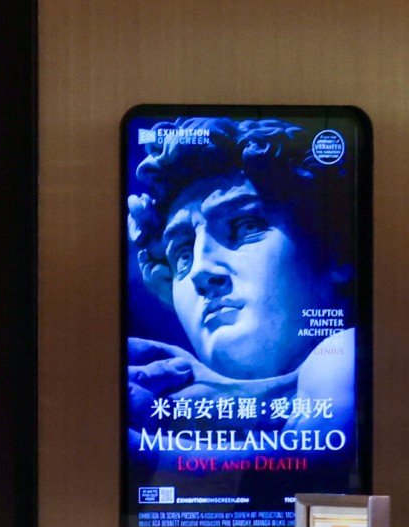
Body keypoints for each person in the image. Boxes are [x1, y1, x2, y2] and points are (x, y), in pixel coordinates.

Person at [126, 117, 356, 432]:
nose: (200, 270)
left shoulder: (348, 352)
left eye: (246, 226)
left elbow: (320, 451)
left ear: (334, 247)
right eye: (183, 253)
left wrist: (143, 443)